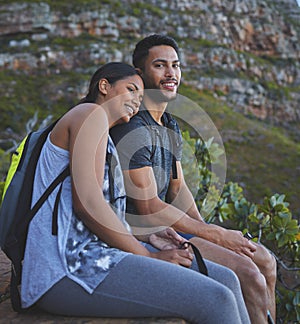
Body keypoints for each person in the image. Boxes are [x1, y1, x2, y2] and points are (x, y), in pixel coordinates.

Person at [21, 62, 250, 324]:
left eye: (140, 97)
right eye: (130, 90)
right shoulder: (89, 115)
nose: (136, 101)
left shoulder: (101, 133)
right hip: (65, 270)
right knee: (215, 298)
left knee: (228, 279)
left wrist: (148, 234)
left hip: (95, 257)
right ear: (104, 86)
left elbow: (89, 212)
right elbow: (87, 204)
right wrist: (150, 257)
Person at [110, 35, 277, 324]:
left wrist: (204, 228)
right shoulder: (134, 126)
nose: (171, 73)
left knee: (266, 263)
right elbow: (148, 207)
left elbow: (178, 187)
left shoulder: (167, 122)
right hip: (144, 234)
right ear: (140, 73)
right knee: (249, 274)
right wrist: (215, 236)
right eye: (160, 65)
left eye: (175, 65)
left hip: (171, 225)